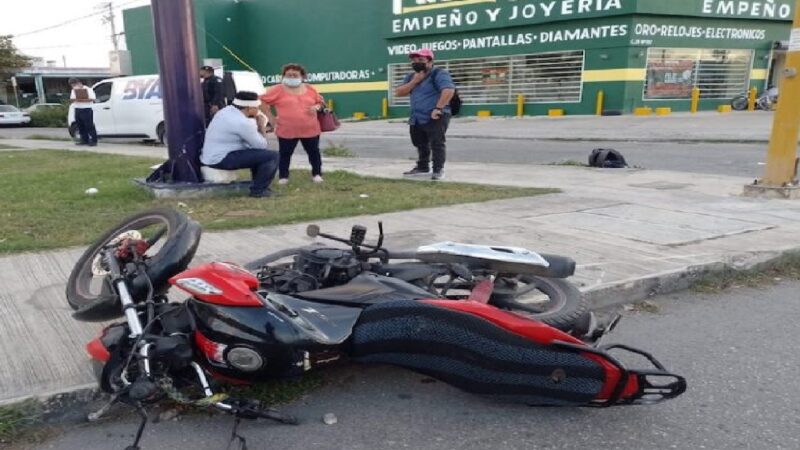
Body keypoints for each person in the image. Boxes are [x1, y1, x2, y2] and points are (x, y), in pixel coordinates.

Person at [201, 91, 279, 198]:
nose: (259, 110)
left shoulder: (225, 111)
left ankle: (257, 184)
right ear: (249, 108)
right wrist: (261, 127)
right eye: (257, 107)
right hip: (221, 159)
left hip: (210, 156)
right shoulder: (242, 122)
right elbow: (261, 145)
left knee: (259, 155)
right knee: (272, 156)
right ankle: (259, 190)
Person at [259, 63, 326, 184]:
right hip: (287, 129)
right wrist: (271, 118)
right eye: (288, 75)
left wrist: (316, 107)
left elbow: (321, 102)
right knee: (285, 153)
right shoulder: (278, 89)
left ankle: (317, 174)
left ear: (302, 76)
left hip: (310, 128)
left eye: (295, 75)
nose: (291, 77)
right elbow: (261, 101)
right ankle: (283, 177)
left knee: (314, 152)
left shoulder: (310, 89)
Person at [394, 48, 455, 181]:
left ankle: (438, 169)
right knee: (419, 142)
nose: (417, 63)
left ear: (430, 61)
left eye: (421, 60)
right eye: (414, 60)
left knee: (437, 142)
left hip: (436, 114)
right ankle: (422, 167)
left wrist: (438, 108)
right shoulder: (411, 76)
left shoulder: (439, 74)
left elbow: (449, 90)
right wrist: (414, 81)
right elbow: (398, 92)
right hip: (417, 116)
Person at [69, 78, 97, 147]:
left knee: (89, 125)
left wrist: (82, 99)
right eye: (72, 85)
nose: (74, 86)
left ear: (79, 83)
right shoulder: (73, 91)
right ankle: (84, 140)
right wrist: (76, 100)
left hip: (86, 109)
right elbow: (72, 99)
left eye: (74, 84)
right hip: (77, 109)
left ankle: (93, 140)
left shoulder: (88, 89)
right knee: (80, 125)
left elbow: (93, 99)